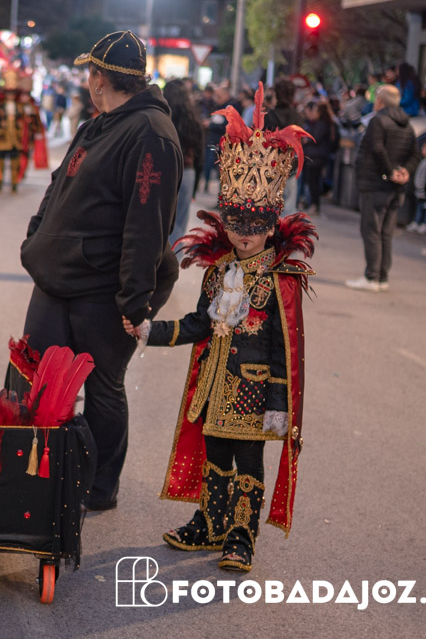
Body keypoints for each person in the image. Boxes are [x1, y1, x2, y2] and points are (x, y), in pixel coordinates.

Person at [125, 98, 314, 574]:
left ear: (271, 225)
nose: (244, 233)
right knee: (216, 459)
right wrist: (150, 330)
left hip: (253, 395)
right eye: (236, 222)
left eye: (255, 224)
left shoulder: (279, 281)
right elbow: (198, 324)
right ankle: (212, 521)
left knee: (247, 465)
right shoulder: (217, 274)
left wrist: (278, 405)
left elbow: (284, 350)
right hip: (213, 389)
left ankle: (241, 535)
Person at [7, 30, 182, 511]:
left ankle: (99, 486)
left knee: (103, 386)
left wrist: (134, 299)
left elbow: (147, 224)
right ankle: (35, 473)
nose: (88, 80)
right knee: (33, 375)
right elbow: (57, 186)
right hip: (56, 278)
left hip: (105, 289)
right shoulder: (97, 124)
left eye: (90, 72)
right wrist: (36, 237)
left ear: (99, 78)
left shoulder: (150, 132)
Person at [346, 84, 418, 292]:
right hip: (395, 187)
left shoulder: (378, 121)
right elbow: (415, 153)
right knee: (386, 233)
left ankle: (372, 277)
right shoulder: (407, 124)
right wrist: (405, 171)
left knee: (371, 230)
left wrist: (390, 171)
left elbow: (377, 148)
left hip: (375, 184)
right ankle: (382, 277)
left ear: (380, 101)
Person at [0, 68, 45, 194]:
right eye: (8, 93)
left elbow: (30, 121)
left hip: (16, 141)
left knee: (15, 163)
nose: (10, 96)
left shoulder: (21, 107)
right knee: (0, 162)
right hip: (2, 139)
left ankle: (14, 185)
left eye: (12, 93)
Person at [163, 80, 204, 247]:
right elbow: (199, 154)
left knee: (160, 218)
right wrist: (195, 188)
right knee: (180, 221)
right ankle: (174, 258)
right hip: (187, 171)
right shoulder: (193, 120)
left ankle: (158, 257)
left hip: (164, 170)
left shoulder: (161, 118)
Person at [265, 79, 305, 216]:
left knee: (268, 207)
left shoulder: (268, 116)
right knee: (288, 210)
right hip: (290, 165)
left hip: (269, 165)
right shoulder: (297, 117)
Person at [300, 100, 338, 216]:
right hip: (316, 156)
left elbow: (315, 137)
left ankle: (314, 205)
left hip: (316, 157)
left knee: (313, 182)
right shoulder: (320, 123)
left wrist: (307, 140)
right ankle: (312, 204)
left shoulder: (321, 124)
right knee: (313, 181)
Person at [408, 142, 426, 235]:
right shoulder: (424, 161)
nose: (423, 150)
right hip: (419, 188)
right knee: (419, 206)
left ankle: (425, 224)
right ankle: (417, 222)